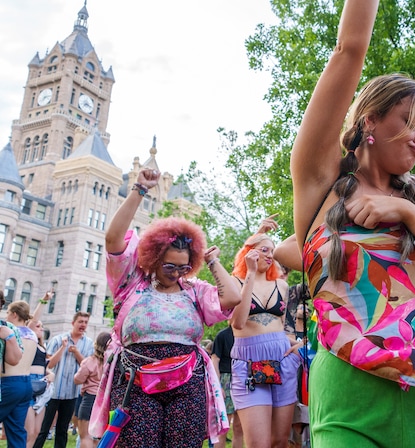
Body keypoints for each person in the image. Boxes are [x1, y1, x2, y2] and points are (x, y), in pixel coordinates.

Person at [290, 1, 415, 446]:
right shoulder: (321, 184)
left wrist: (409, 214)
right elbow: (349, 50)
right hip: (348, 393)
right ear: (371, 121)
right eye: (410, 122)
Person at [88, 168, 240, 447]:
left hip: (188, 380)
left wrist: (213, 262)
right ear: (153, 258)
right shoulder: (131, 283)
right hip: (135, 379)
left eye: (183, 266)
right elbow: (112, 240)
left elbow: (232, 298)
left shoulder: (194, 290)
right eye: (169, 265)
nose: (175, 273)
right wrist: (140, 189)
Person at [229, 231, 299, 448]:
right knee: (259, 444)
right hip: (249, 362)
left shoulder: (282, 286)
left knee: (279, 441)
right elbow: (238, 323)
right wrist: (249, 274)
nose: (271, 255)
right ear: (249, 253)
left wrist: (298, 344)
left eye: (272, 251)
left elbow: (289, 325)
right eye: (265, 250)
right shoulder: (235, 282)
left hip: (282, 360)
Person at [32, 311, 92, 448]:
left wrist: (77, 352)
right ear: (73, 323)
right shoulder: (59, 339)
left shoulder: (88, 343)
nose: (83, 325)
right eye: (80, 322)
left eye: (85, 322)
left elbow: (87, 366)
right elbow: (49, 364)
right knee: (43, 429)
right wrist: (63, 348)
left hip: (71, 393)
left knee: (62, 430)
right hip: (53, 392)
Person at [0, 301, 36, 446]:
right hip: (26, 383)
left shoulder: (11, 331)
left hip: (9, 384)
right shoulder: (32, 333)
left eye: (8, 312)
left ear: (14, 314)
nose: (6, 316)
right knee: (17, 431)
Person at [26, 291, 54, 448]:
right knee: (28, 432)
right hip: (29, 384)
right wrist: (44, 300)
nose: (41, 328)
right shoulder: (27, 340)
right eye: (38, 326)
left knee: (36, 432)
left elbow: (46, 366)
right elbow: (33, 320)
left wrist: (50, 374)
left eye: (42, 327)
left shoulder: (42, 346)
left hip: (42, 387)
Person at [211, 316, 243, 448]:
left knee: (239, 427)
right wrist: (218, 385)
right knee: (224, 425)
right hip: (226, 379)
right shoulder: (222, 335)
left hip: (243, 378)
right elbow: (215, 359)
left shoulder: (244, 335)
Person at [73, 331, 109, 448]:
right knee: (99, 437)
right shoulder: (112, 363)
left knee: (86, 437)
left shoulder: (89, 361)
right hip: (105, 401)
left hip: (89, 399)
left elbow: (77, 380)